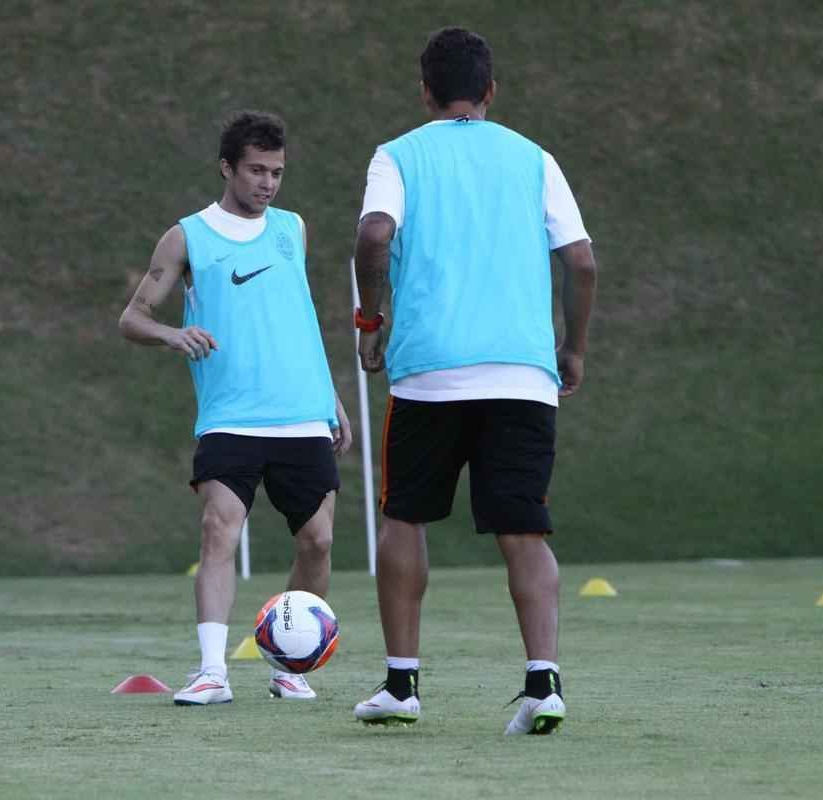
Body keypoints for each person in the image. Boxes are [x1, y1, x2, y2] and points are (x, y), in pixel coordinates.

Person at [349, 28, 597, 734]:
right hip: (522, 371)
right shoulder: (534, 158)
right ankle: (543, 682)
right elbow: (580, 261)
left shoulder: (399, 155)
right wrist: (572, 349)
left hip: (431, 370)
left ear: (425, 92)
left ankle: (402, 685)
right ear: (490, 91)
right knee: (524, 527)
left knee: (404, 518)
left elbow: (373, 235)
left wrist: (372, 321)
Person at [119, 110, 352, 706]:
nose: (267, 183)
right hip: (230, 416)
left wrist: (332, 399)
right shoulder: (187, 236)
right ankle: (211, 672)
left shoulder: (293, 229)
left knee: (318, 543)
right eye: (255, 170)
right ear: (227, 167)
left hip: (303, 411)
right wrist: (174, 335)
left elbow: (299, 318)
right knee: (219, 531)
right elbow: (133, 318)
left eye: (276, 172)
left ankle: (289, 668)